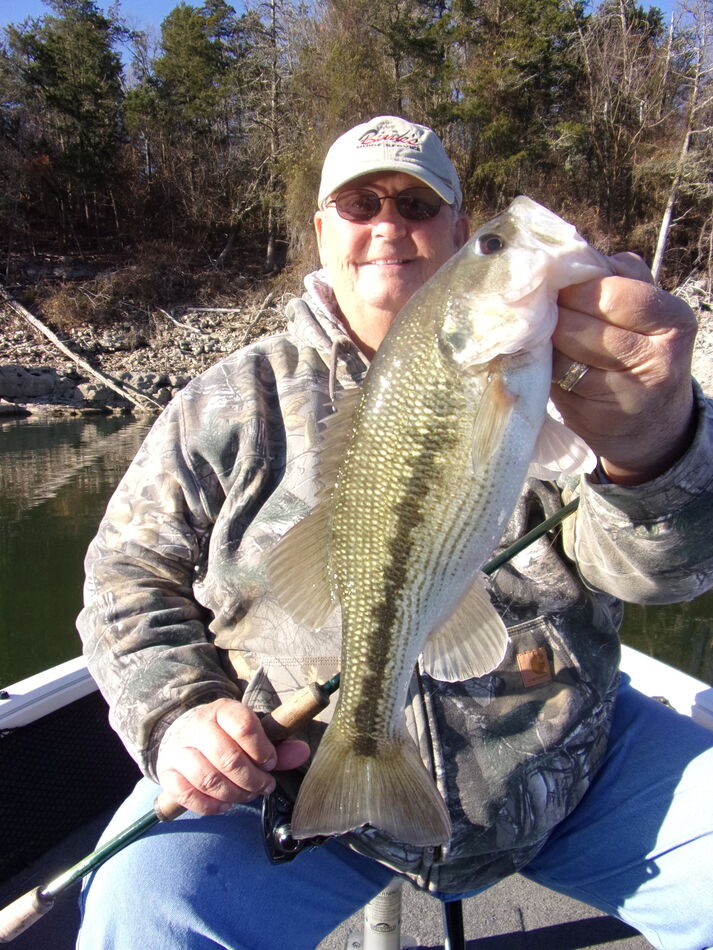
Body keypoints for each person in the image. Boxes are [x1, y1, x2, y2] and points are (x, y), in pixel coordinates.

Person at [76, 115, 713, 950]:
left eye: (416, 204)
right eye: (358, 202)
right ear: (320, 231)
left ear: (452, 227)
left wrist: (651, 448)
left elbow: (659, 577)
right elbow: (127, 574)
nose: (388, 224)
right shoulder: (229, 401)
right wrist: (180, 713)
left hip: (570, 765)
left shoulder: (580, 374)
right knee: (147, 910)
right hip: (295, 781)